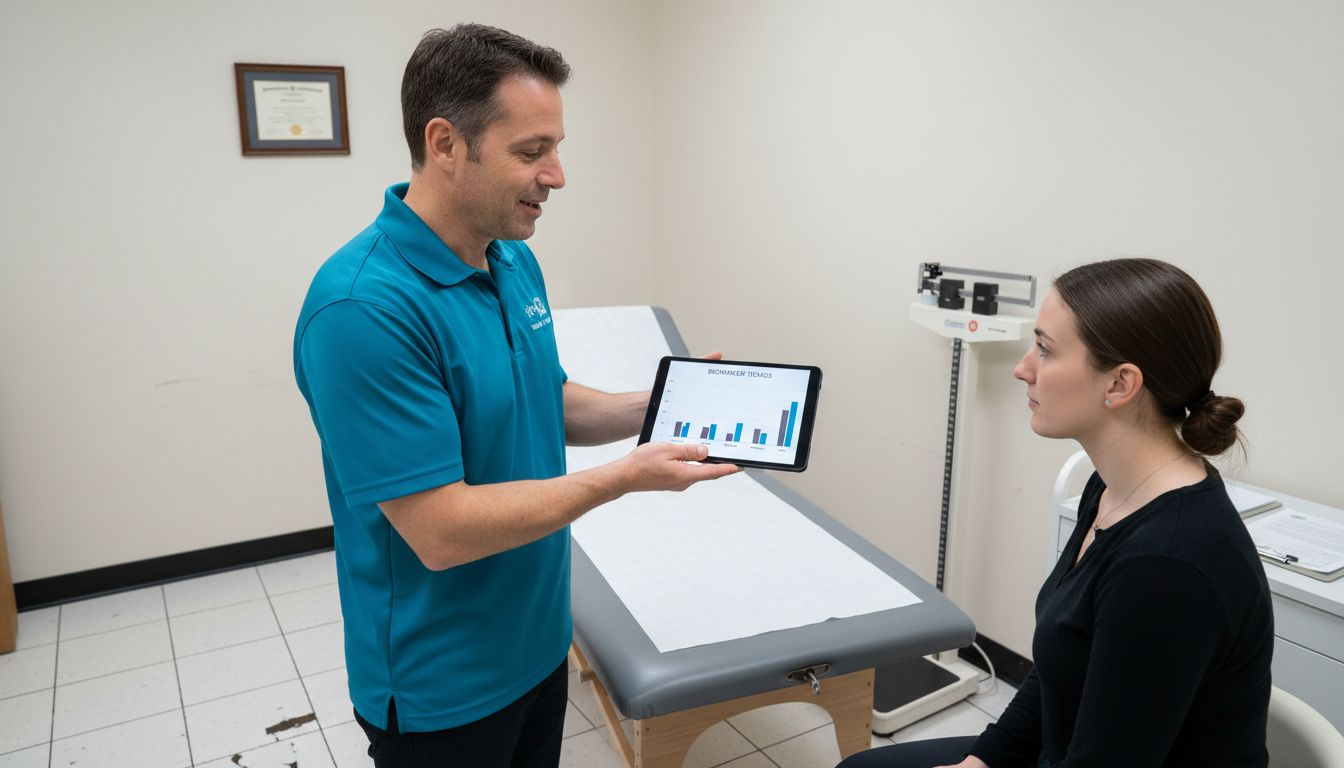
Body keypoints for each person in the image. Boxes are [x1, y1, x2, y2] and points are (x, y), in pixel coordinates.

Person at [293, 24, 738, 768]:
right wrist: (626, 476)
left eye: (556, 149)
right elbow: (440, 530)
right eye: (531, 153)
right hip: (443, 684)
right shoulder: (363, 309)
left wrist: (660, 402)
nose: (557, 175)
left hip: (535, 642)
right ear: (445, 144)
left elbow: (545, 399)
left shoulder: (509, 262)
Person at [841, 258, 1273, 767]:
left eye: (1044, 350)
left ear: (1120, 384)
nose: (1023, 368)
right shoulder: (1114, 486)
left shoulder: (1166, 567)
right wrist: (981, 762)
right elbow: (1061, 668)